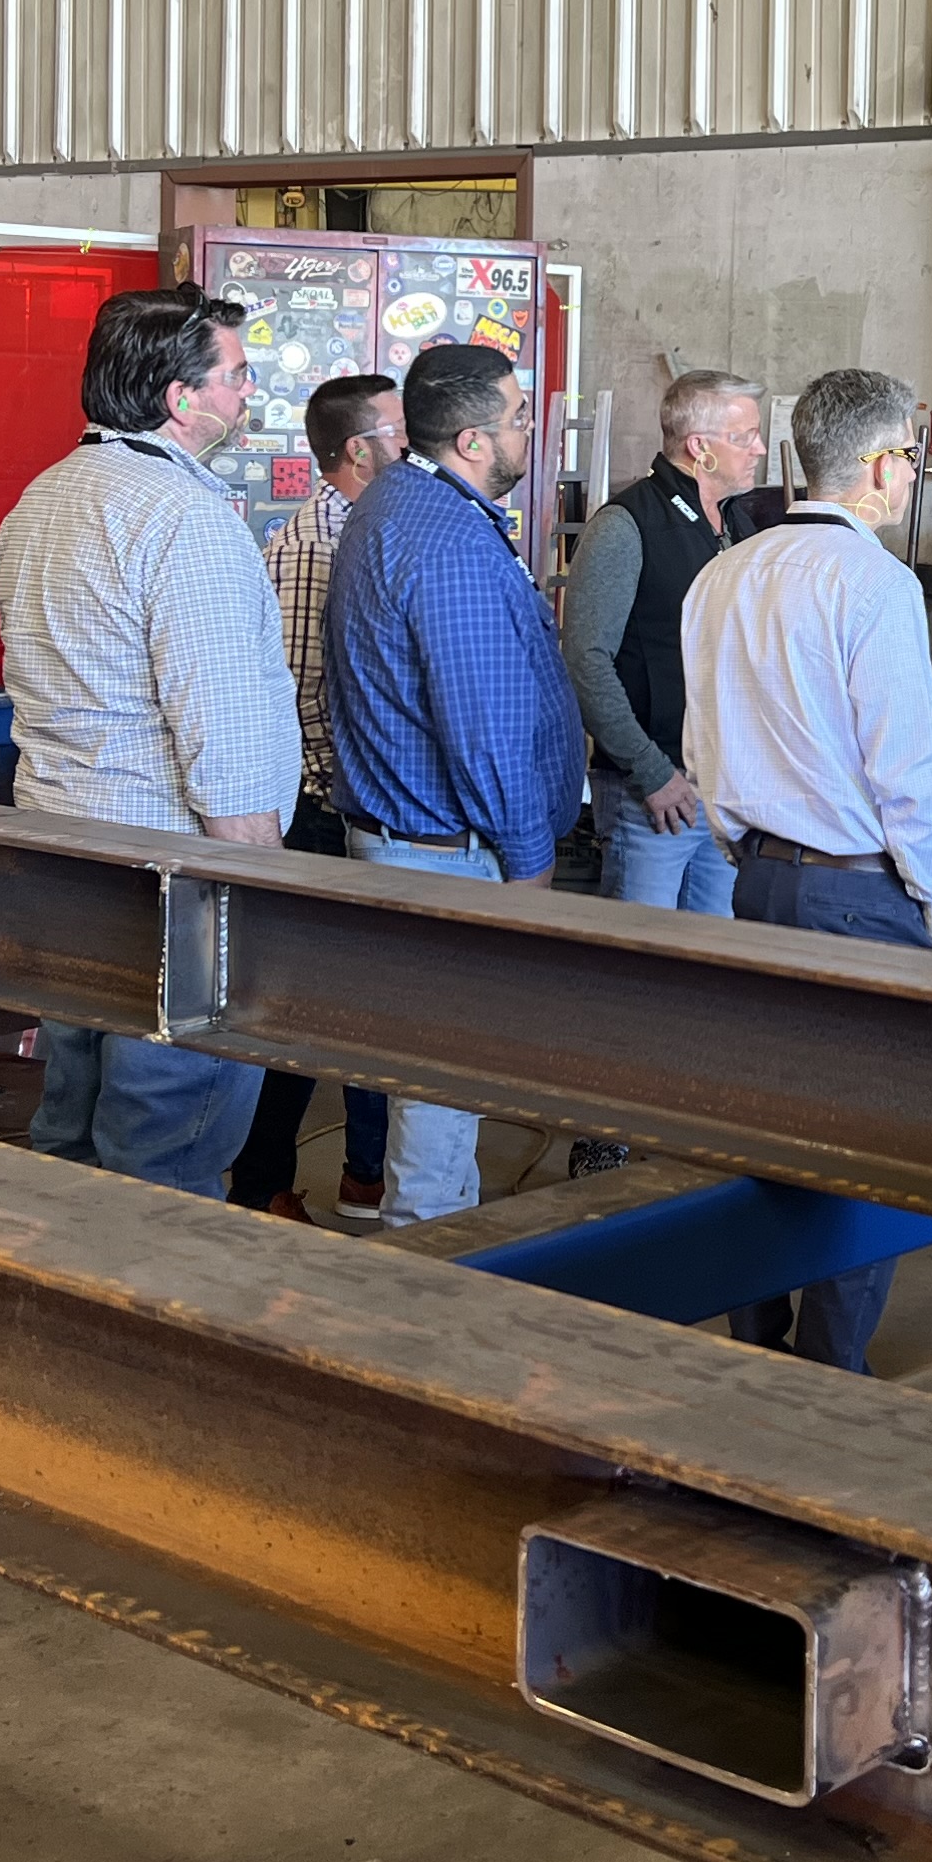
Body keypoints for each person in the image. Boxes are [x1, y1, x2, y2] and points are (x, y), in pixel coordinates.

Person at [0, 287, 305, 1191]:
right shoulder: (185, 519)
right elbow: (225, 739)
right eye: (237, 375)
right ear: (181, 398)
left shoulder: (43, 498)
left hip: (64, 864)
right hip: (175, 882)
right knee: (168, 1149)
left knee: (72, 1126)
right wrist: (259, 896)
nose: (249, 394)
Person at [680, 368, 932, 1373]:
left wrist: (742, 854)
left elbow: (703, 748)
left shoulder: (722, 575)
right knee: (867, 1147)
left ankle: (754, 1347)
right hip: (860, 892)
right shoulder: (875, 583)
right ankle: (831, 1372)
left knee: (765, 1128)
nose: (912, 476)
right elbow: (906, 771)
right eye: (911, 459)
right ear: (881, 466)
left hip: (756, 880)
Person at [324, 339, 584, 1228]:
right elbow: (484, 728)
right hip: (447, 853)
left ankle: (426, 1248)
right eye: (519, 418)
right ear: (473, 442)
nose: (529, 432)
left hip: (410, 840)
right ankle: (429, 1279)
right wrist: (529, 857)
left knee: (430, 1074)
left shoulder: (399, 500)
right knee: (442, 1087)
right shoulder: (449, 542)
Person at [231, 369, 403, 1221]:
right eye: (399, 432)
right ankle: (263, 1183)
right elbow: (301, 696)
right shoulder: (311, 547)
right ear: (359, 450)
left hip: (357, 805)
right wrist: (344, 798)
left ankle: (365, 1174)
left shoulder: (375, 528)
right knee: (299, 1014)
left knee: (370, 1006)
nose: (414, 445)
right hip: (319, 813)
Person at [560, 370, 768, 916]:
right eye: (745, 437)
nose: (760, 449)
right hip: (653, 793)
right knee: (640, 953)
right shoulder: (624, 525)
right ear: (700, 447)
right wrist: (650, 771)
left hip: (727, 797)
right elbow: (585, 661)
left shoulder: (739, 526)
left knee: (716, 955)